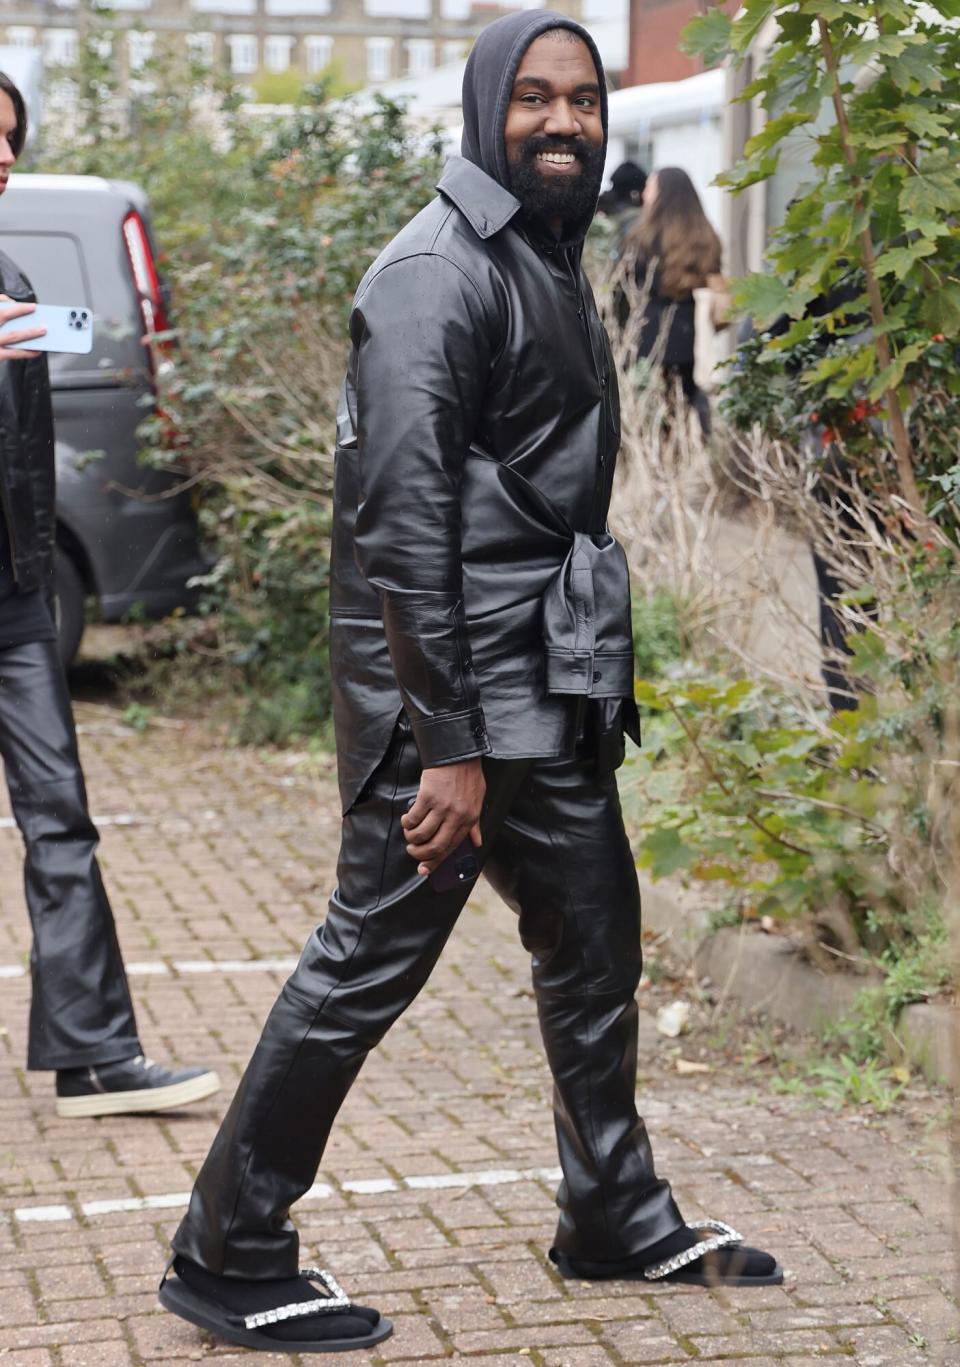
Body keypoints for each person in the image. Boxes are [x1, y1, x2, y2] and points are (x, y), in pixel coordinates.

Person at [158, 14, 781, 1354]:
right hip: (440, 702)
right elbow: (402, 522)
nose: (564, 122)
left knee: (597, 930)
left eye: (582, 99)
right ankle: (228, 1246)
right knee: (367, 958)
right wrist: (444, 741)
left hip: (535, 686)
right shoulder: (434, 274)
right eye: (536, 100)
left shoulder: (538, 255)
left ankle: (611, 1206)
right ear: (487, 106)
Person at [0, 72, 220, 1118]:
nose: (3, 153)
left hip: (12, 601)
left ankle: (93, 1053)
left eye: (9, 136)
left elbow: (43, 410)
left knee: (61, 820)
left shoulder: (8, 271)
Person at [620, 166, 723, 433]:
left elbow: (625, 287)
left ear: (663, 194)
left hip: (651, 336)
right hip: (692, 333)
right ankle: (697, 451)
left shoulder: (642, 237)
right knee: (690, 398)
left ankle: (663, 460)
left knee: (655, 408)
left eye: (650, 188)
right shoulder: (706, 236)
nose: (644, 194)